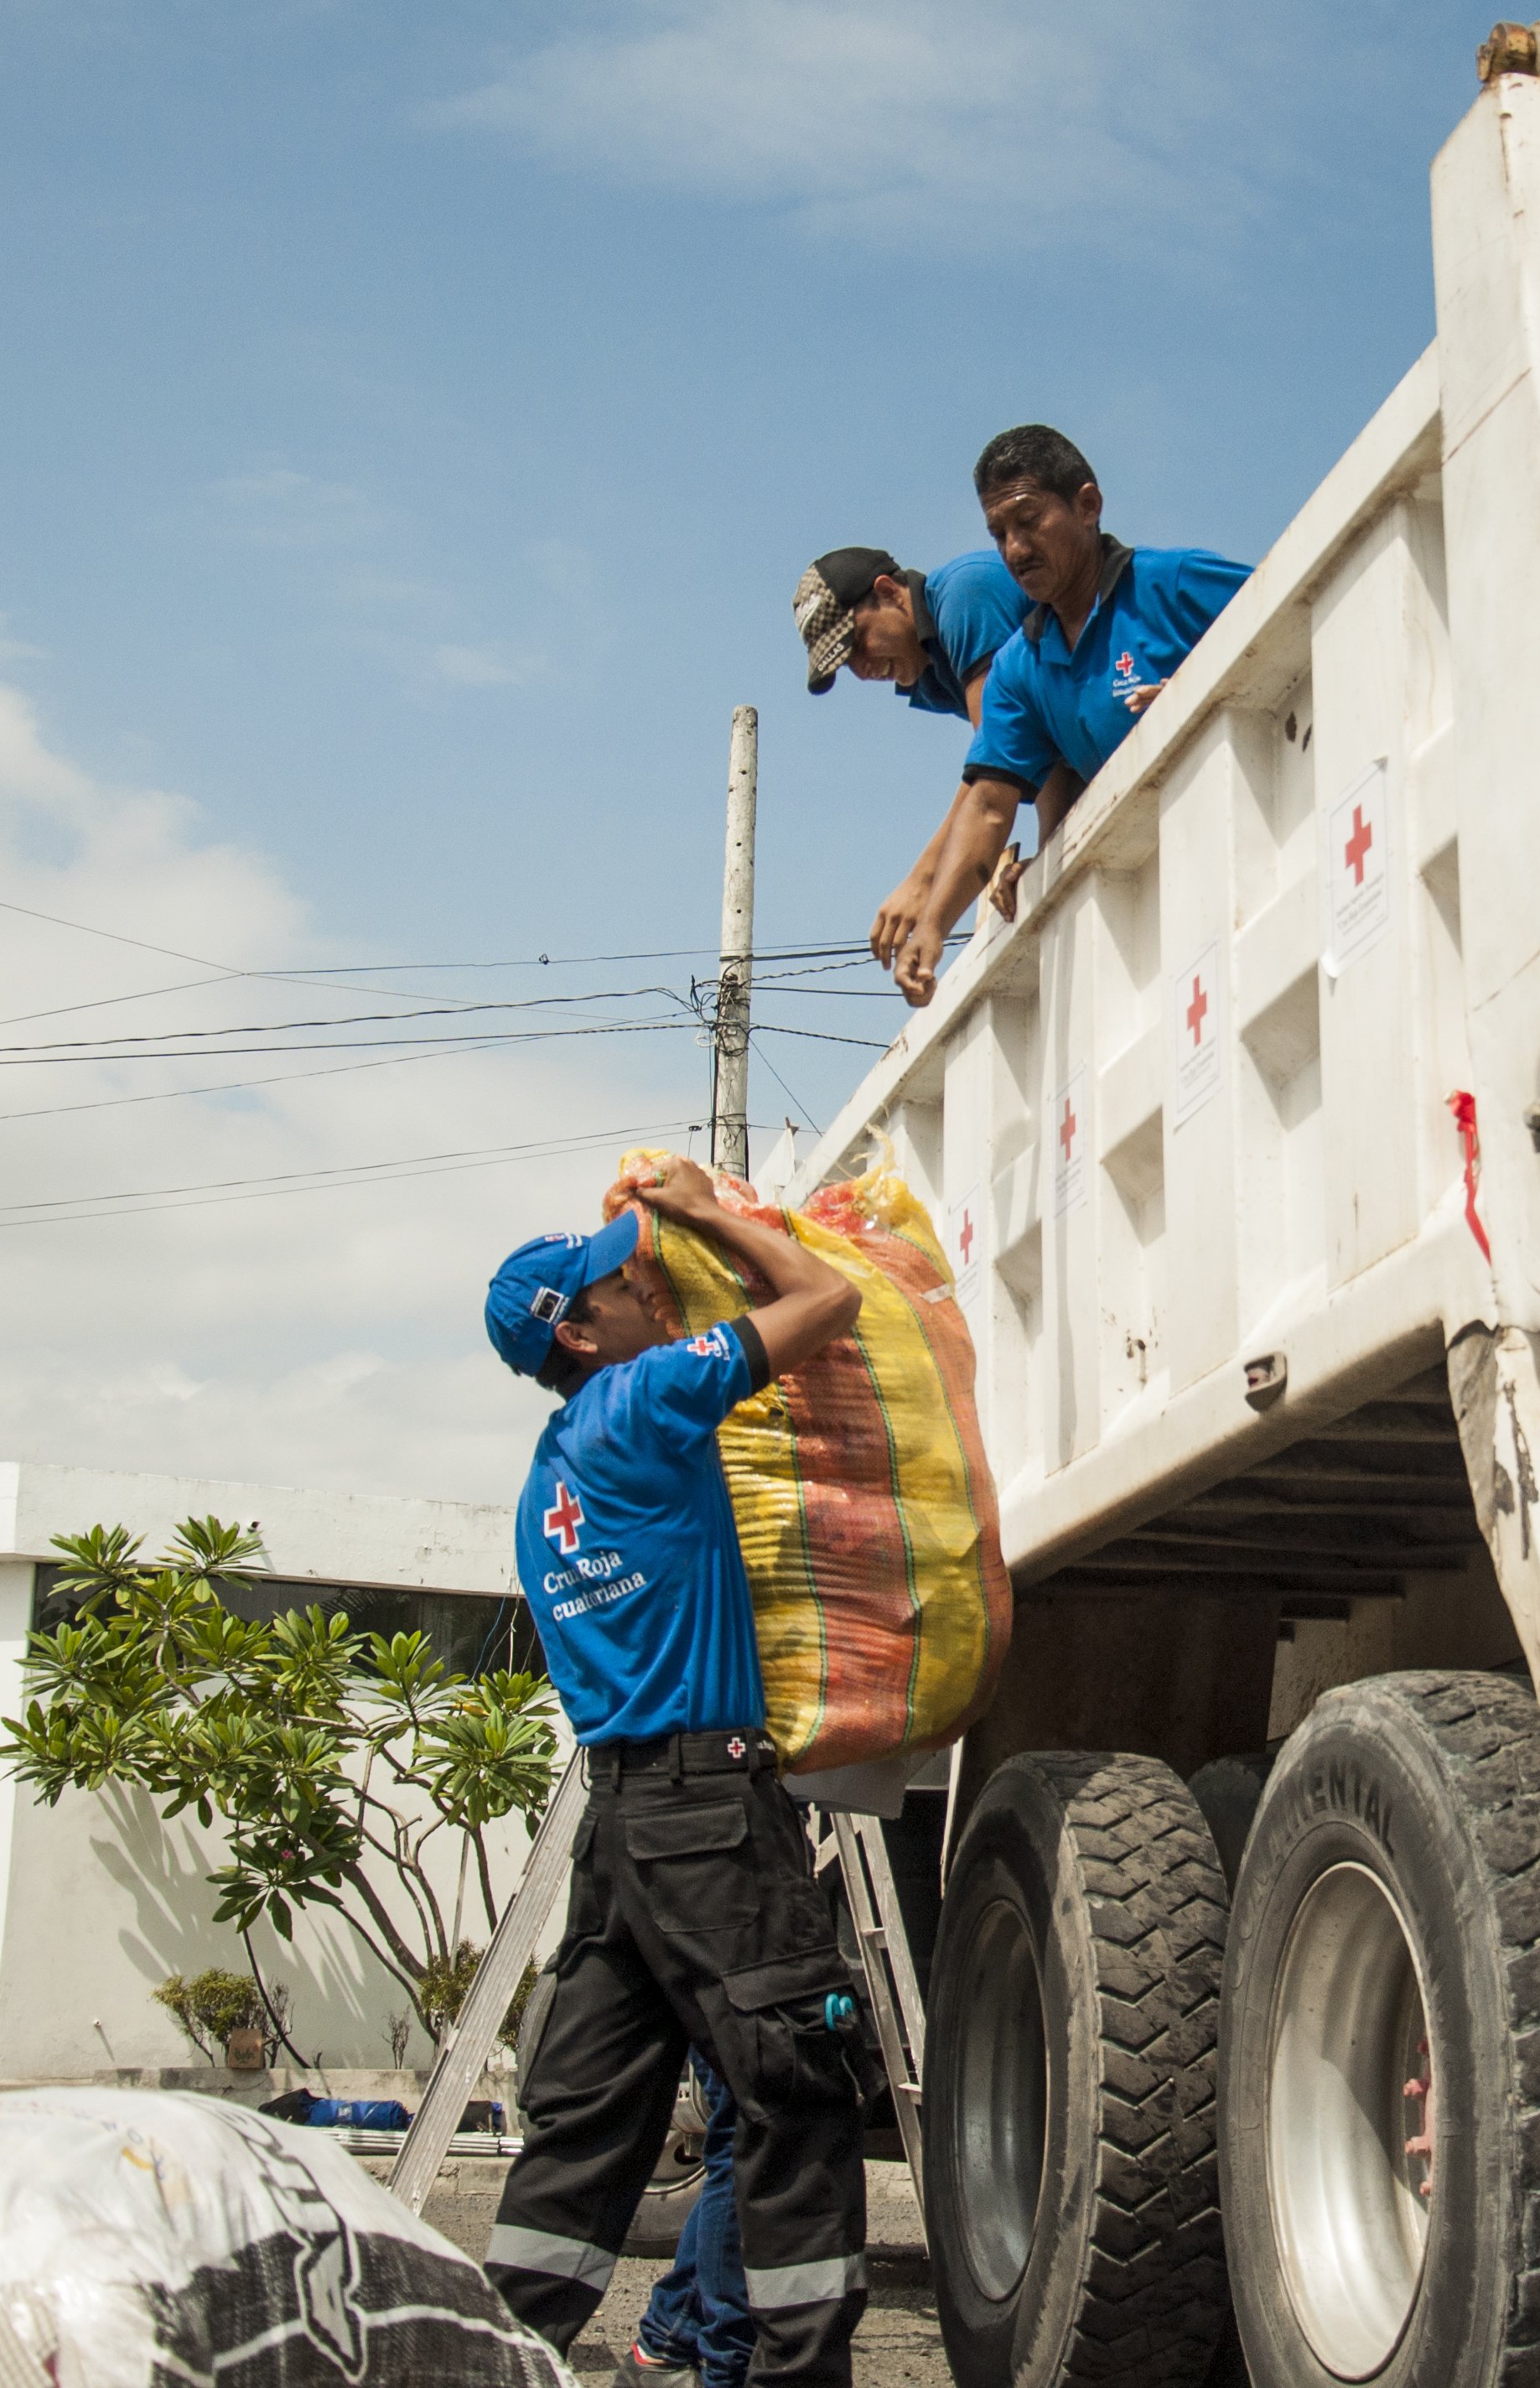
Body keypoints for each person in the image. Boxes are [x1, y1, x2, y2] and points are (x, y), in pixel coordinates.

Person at [477, 1159, 871, 2383]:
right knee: (794, 2094)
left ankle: (491, 2355)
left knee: (585, 2129)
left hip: (620, 1833)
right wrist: (703, 1212)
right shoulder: (641, 1403)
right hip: (708, 1816)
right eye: (617, 1282)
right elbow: (829, 1302)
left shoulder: (548, 1481)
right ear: (583, 1333)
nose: (647, 1282)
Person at [879, 427, 1252, 1005]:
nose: (1015, 550)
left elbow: (1295, 618)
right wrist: (933, 927)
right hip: (1156, 908)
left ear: (1087, 506)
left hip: (1251, 852)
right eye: (999, 533)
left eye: (1028, 521)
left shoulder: (1171, 585)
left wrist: (1209, 683)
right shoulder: (1018, 669)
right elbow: (988, 804)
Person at [791, 543, 1055, 990]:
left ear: (890, 592)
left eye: (857, 644)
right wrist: (1052, 851)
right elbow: (1041, 748)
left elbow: (997, 775)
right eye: (845, 664)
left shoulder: (965, 597)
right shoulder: (935, 673)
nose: (862, 671)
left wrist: (924, 883)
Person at [620, 2053, 750, 2385]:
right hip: (744, 2010)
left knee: (747, 2139)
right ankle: (725, 2371)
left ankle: (666, 2345)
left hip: (738, 2008)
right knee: (748, 2138)